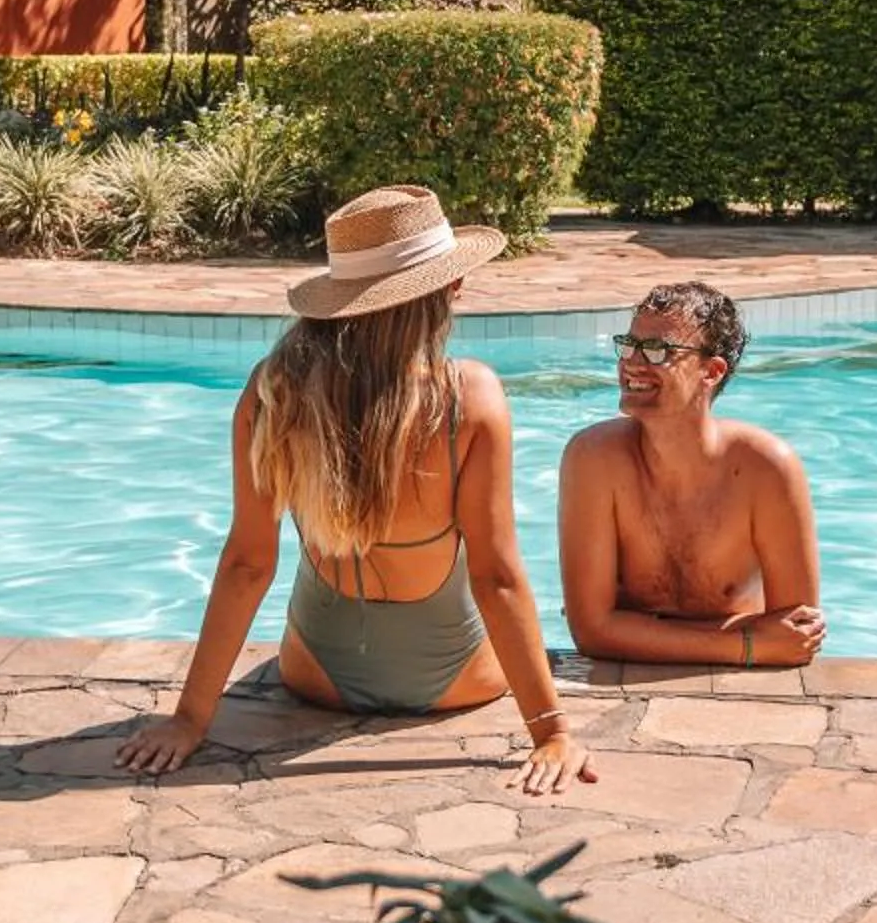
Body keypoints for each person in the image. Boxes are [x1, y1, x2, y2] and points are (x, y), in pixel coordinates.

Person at [117, 184, 588, 794]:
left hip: (317, 674)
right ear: (447, 290)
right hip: (456, 681)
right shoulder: (468, 399)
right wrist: (550, 729)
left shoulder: (276, 391)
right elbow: (496, 578)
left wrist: (189, 720)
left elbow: (246, 564)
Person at [558, 280, 825, 671]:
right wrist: (747, 646)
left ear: (711, 371)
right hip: (721, 664)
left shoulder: (766, 469)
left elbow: (796, 635)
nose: (632, 362)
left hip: (739, 689)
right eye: (629, 344)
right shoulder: (594, 459)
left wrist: (631, 632)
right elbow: (591, 632)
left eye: (657, 350)